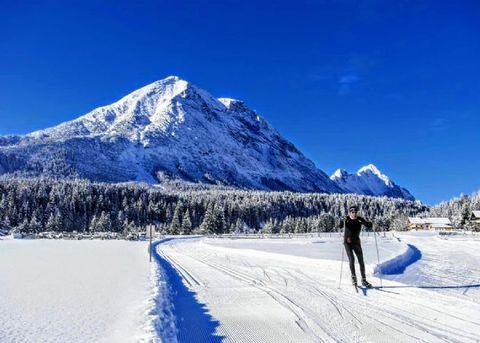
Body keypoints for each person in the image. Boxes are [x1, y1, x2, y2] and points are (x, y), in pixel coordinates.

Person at [339, 205, 373, 288]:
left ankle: (364, 280)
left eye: (355, 212)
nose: (354, 214)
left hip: (356, 243)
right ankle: (353, 278)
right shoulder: (346, 219)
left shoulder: (360, 219)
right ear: (349, 212)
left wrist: (369, 224)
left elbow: (367, 225)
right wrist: (340, 222)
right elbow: (340, 226)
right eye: (352, 212)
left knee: (361, 261)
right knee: (352, 259)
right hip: (347, 243)